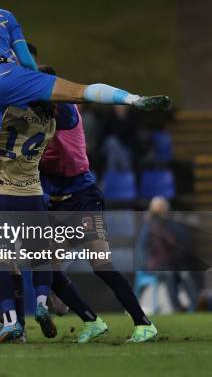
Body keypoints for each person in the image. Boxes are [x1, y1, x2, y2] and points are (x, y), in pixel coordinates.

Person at [0, 0, 172, 230]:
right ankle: (132, 99)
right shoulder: (4, 15)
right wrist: (37, 89)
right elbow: (26, 61)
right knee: (79, 91)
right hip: (9, 74)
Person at [40, 88, 158, 343]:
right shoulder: (34, 122)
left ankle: (143, 323)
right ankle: (92, 321)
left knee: (101, 265)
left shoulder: (66, 112)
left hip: (83, 197)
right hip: (59, 203)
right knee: (46, 266)